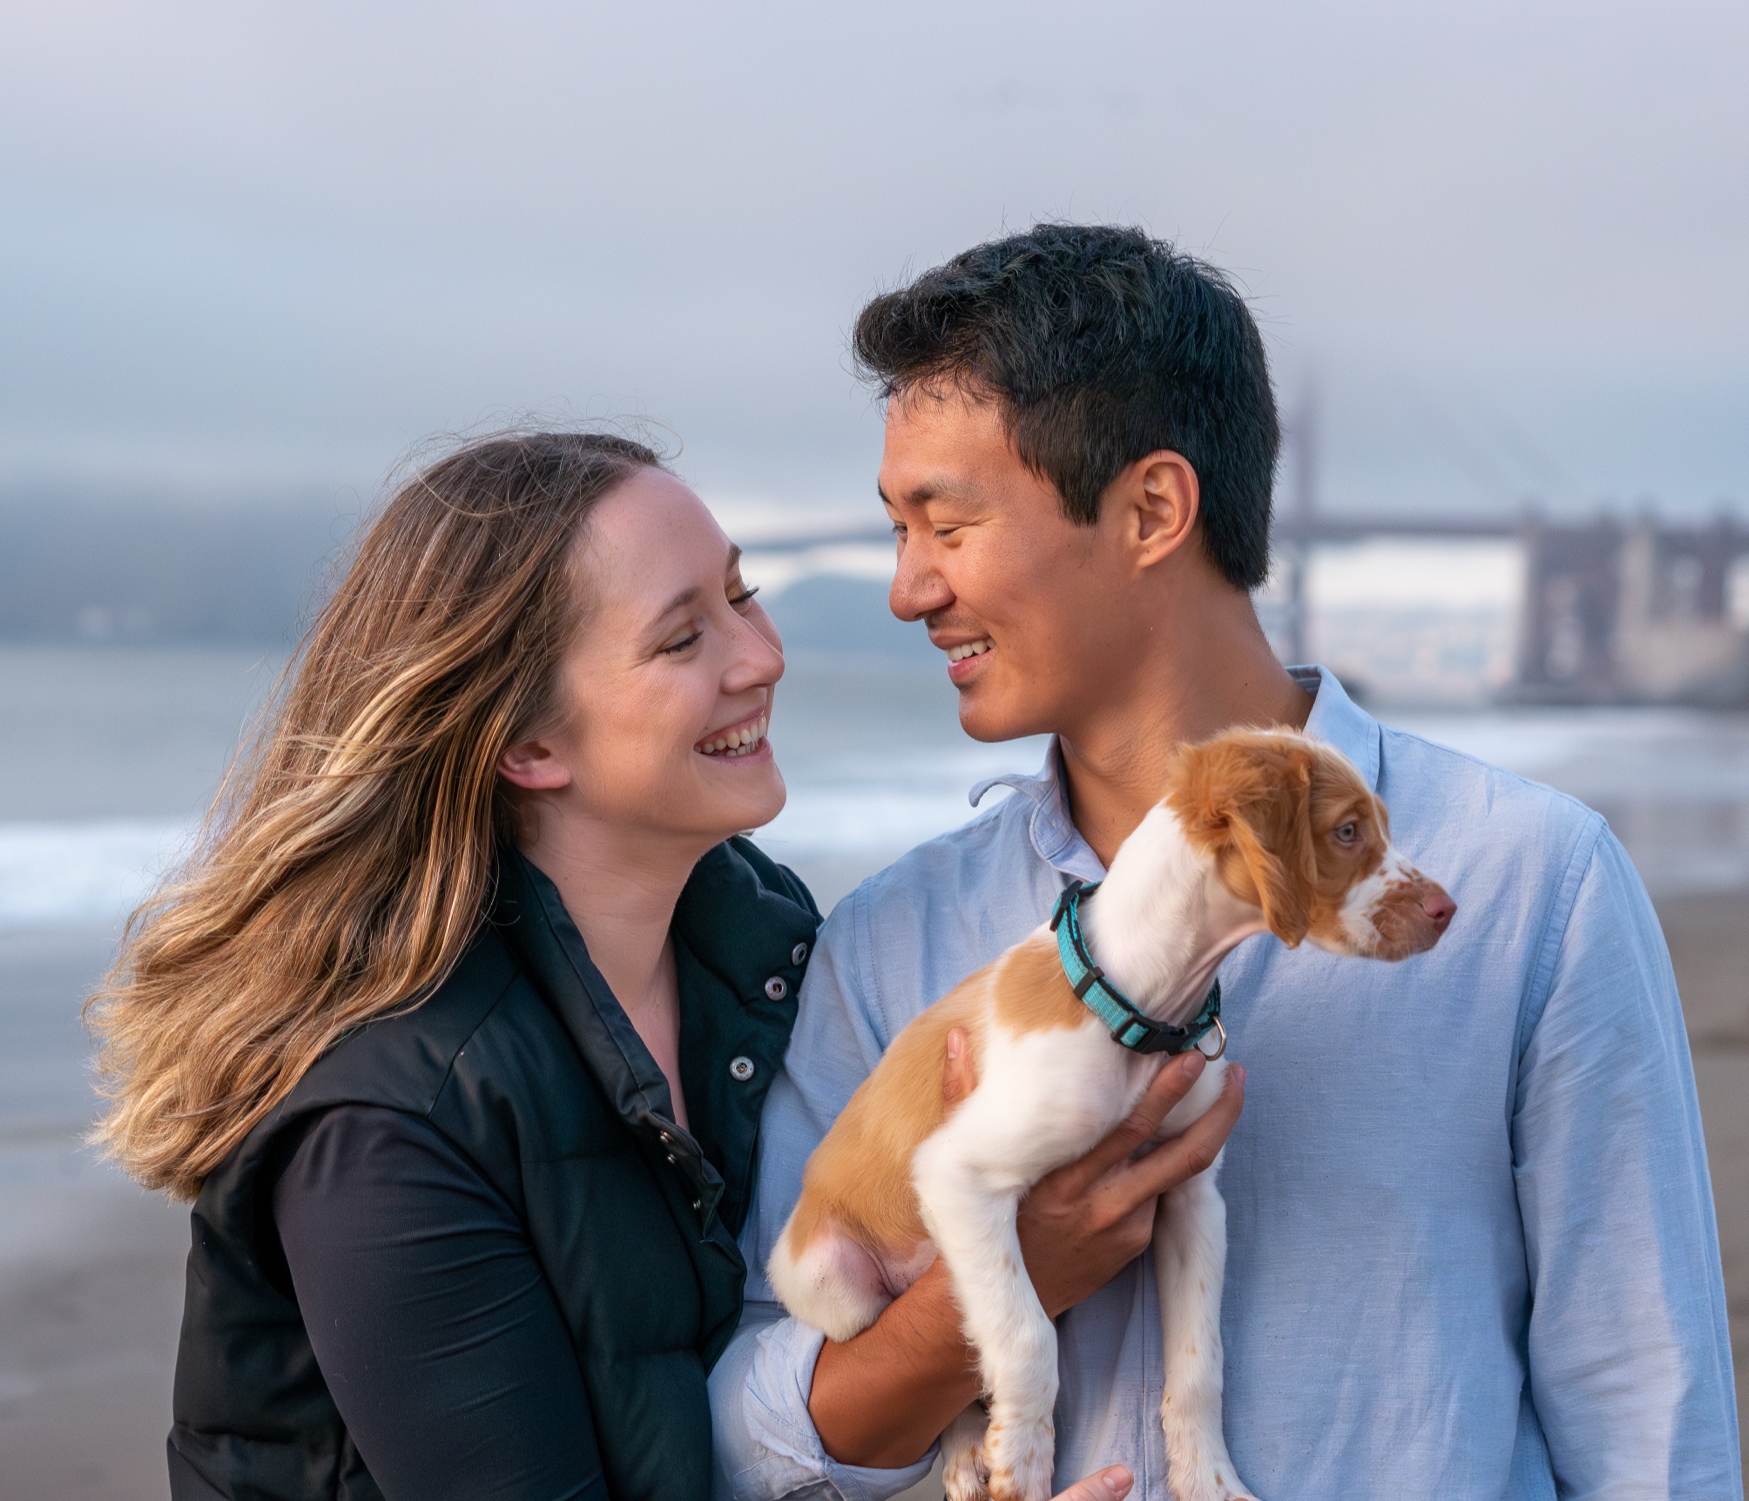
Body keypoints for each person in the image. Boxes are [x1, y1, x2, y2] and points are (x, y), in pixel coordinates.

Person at [712, 226, 1741, 1500]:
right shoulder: (890, 937)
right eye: (896, 529)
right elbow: (756, 1439)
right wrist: (999, 1275)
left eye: (948, 523)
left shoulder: (1535, 888)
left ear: (1151, 508)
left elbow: (1650, 1418)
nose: (907, 589)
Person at [85, 429, 1222, 1501]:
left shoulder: (767, 953)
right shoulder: (390, 1122)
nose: (760, 657)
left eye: (741, 595)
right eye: (682, 638)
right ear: (528, 745)